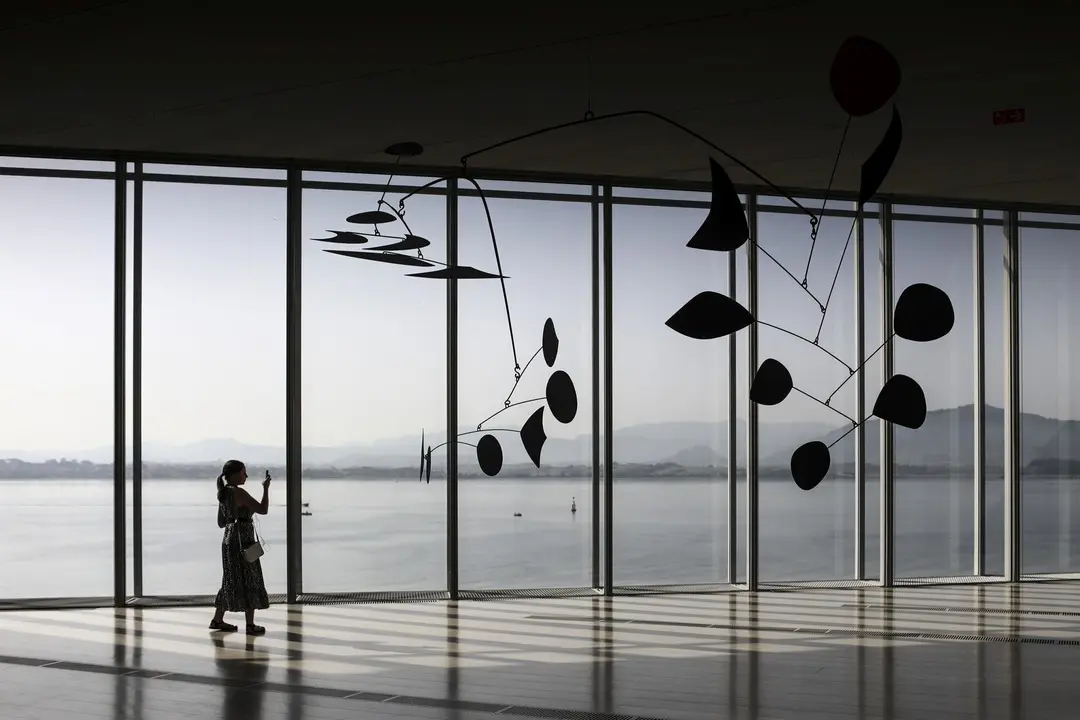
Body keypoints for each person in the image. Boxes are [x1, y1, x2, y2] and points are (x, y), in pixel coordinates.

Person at [209, 460, 271, 635]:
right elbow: (263, 509)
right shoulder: (239, 493)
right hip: (243, 541)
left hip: (228, 541)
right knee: (250, 578)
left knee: (230, 579)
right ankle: (250, 625)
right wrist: (266, 489)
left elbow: (221, 523)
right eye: (244, 472)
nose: (246, 476)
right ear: (235, 474)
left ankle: (217, 619)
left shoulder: (222, 493)